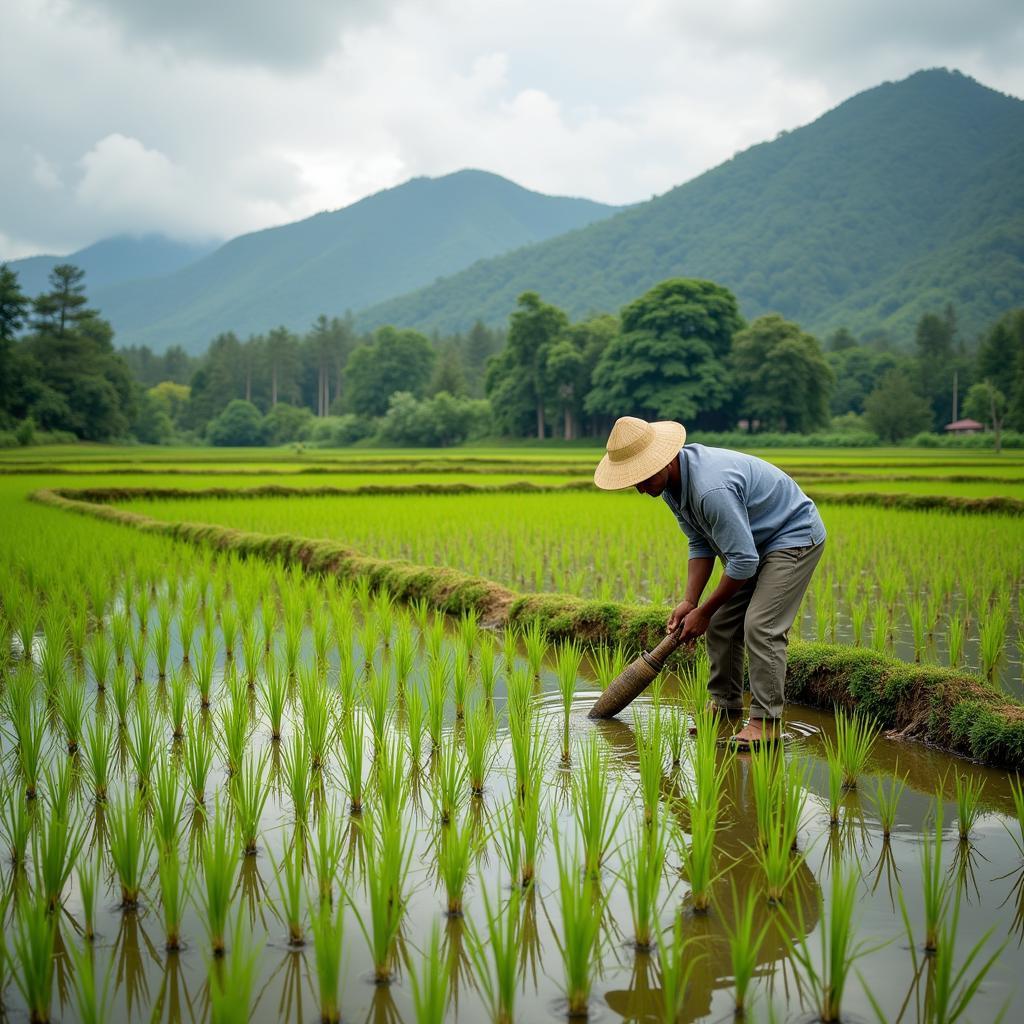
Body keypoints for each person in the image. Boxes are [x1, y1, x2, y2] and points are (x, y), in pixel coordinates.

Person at [593, 415, 826, 749]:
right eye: (635, 482)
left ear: (665, 460)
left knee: (761, 625)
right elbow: (700, 542)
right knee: (721, 622)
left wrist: (704, 611)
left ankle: (766, 722)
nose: (641, 488)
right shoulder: (671, 486)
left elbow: (743, 561)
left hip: (791, 536)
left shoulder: (710, 488)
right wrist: (692, 602)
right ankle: (725, 704)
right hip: (753, 543)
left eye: (643, 478)